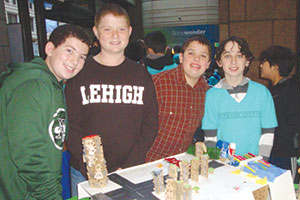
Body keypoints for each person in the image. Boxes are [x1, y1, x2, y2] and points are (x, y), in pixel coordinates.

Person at [65, 3, 158, 196]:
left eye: (121, 29)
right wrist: (91, 167)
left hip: (130, 172)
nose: (115, 36)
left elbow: (150, 123)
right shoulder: (80, 73)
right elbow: (71, 125)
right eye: (107, 29)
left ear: (130, 31)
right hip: (85, 174)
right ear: (96, 32)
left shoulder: (141, 74)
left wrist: (129, 165)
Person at [0, 24, 90, 200]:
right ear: (50, 49)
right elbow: (29, 153)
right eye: (69, 51)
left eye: (82, 57)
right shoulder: (34, 86)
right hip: (20, 192)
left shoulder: (52, 84)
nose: (75, 62)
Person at [202, 36, 278, 160]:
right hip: (224, 166)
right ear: (219, 62)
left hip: (254, 165)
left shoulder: (262, 93)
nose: (233, 61)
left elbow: (268, 133)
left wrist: (262, 161)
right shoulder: (212, 95)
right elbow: (210, 136)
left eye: (239, 56)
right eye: (227, 56)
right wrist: (215, 162)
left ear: (247, 61)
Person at [146, 34, 211, 162]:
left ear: (208, 64)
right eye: (191, 53)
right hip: (150, 163)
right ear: (181, 57)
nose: (197, 59)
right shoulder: (158, 83)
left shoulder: (207, 93)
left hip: (182, 164)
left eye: (203, 56)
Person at [259, 45, 300, 176]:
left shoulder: (291, 91)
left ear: (275, 66)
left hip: (284, 154)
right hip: (269, 152)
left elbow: (293, 126)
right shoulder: (272, 90)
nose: (260, 66)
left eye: (264, 62)